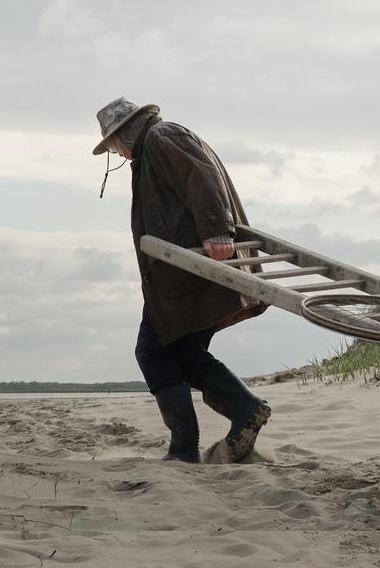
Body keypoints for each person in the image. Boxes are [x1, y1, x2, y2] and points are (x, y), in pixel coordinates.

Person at [93, 97, 272, 463]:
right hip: (179, 272)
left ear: (125, 132)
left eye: (114, 145)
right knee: (184, 352)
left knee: (153, 352)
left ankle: (185, 445)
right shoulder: (150, 149)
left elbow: (201, 176)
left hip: (197, 265)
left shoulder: (163, 136)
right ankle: (243, 412)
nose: (118, 153)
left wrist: (217, 230)